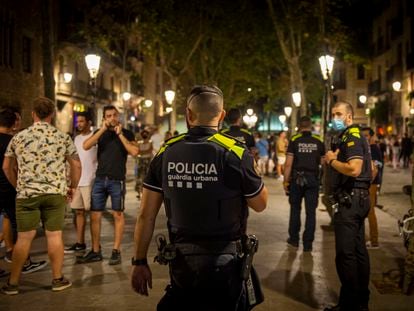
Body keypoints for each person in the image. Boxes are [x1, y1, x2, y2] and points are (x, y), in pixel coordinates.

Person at [131, 85, 268, 310]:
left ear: (188, 114)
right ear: (222, 115)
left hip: (182, 262)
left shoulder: (166, 152)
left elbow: (146, 215)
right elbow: (260, 204)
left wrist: (139, 261)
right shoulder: (235, 153)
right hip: (225, 262)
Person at [2, 97, 81, 295]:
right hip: (55, 193)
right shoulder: (63, 137)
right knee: (54, 236)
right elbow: (76, 165)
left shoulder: (18, 137)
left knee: (23, 238)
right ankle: (57, 279)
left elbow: (6, 167)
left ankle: (12, 283)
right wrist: (72, 186)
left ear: (33, 114)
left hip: (26, 194)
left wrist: (18, 185)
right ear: (52, 114)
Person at [324, 101, 372, 311]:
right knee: (358, 251)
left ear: (350, 117)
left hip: (351, 202)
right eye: (333, 114)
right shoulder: (351, 137)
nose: (335, 118)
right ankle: (361, 300)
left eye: (339, 114)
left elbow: (354, 169)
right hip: (359, 199)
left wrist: (332, 161)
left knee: (345, 254)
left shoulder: (352, 136)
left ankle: (349, 304)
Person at [78, 105, 138, 265]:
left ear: (118, 116)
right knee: (95, 215)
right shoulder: (100, 133)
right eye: (109, 116)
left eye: (114, 115)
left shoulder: (127, 133)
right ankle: (96, 251)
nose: (112, 118)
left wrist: (120, 136)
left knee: (117, 214)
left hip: (116, 180)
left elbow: (134, 152)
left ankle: (116, 250)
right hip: (99, 179)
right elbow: (86, 145)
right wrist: (102, 130)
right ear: (104, 118)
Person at [0, 106, 47, 277]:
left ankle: (11, 253)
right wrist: (18, 186)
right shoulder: (13, 142)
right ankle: (25, 262)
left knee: (8, 221)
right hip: (9, 190)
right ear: (13, 124)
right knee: (21, 228)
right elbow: (11, 167)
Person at [283, 116, 325, 252]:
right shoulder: (318, 141)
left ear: (300, 127)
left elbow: (288, 164)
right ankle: (308, 244)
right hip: (312, 179)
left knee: (295, 210)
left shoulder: (294, 140)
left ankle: (294, 239)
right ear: (311, 126)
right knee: (311, 212)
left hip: (297, 179)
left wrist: (285, 181)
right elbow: (324, 164)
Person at [64, 112, 97, 254]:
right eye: (78, 122)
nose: (79, 124)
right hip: (78, 181)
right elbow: (73, 160)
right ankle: (80, 242)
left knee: (93, 213)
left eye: (82, 121)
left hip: (91, 179)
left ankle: (96, 247)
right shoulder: (76, 139)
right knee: (78, 212)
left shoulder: (95, 137)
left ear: (89, 122)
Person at [362, 127, 383, 249]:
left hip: (371, 184)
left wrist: (367, 182)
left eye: (366, 135)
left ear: (371, 136)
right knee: (366, 211)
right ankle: (369, 239)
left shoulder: (374, 149)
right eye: (363, 135)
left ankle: (374, 240)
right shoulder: (368, 148)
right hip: (368, 183)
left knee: (370, 211)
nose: (364, 138)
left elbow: (375, 169)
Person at [135, 129, 153, 199]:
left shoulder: (150, 142)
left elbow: (149, 150)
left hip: (147, 161)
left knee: (147, 177)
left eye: (146, 134)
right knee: (140, 178)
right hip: (141, 161)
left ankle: (146, 193)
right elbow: (138, 151)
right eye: (144, 133)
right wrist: (145, 151)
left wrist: (143, 152)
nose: (145, 135)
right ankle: (140, 192)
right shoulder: (139, 143)